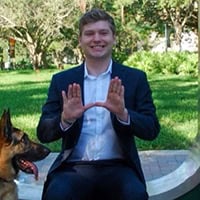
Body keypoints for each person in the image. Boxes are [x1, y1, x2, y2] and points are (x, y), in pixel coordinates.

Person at [37, 8, 160, 200]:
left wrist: (124, 114)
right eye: (89, 34)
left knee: (135, 195)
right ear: (80, 40)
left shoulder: (135, 79)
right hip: (73, 168)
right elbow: (43, 133)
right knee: (56, 195)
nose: (97, 39)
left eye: (103, 33)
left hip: (120, 167)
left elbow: (152, 129)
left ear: (114, 38)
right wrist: (65, 119)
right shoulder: (62, 80)